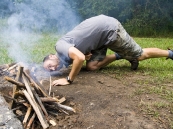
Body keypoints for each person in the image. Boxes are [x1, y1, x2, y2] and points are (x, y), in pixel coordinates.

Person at [43, 14, 173, 86]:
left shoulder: (59, 47)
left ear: (52, 56)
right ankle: (121, 54)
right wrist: (86, 55)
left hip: (109, 30)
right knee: (92, 66)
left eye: (50, 65)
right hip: (99, 38)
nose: (53, 69)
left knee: (140, 55)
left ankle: (170, 53)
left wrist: (68, 79)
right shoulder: (65, 57)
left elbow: (80, 58)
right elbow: (82, 53)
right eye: (51, 70)